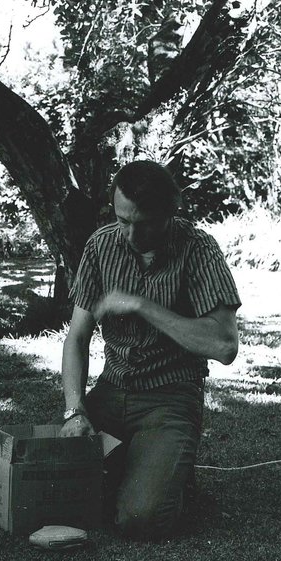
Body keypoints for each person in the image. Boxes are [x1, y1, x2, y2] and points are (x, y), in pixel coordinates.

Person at [59, 160, 241, 540]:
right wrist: (75, 410)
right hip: (111, 391)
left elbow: (224, 346)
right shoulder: (101, 245)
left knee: (140, 519)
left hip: (170, 397)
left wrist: (143, 306)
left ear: (169, 214)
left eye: (141, 224)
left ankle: (164, 472)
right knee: (57, 492)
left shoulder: (198, 249)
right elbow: (76, 338)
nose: (128, 233)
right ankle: (146, 466)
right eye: (122, 219)